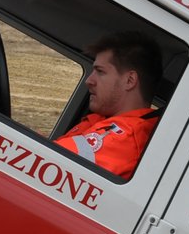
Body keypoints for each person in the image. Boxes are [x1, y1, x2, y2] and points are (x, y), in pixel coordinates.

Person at [55, 32, 163, 180]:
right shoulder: (105, 120)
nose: (89, 80)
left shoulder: (123, 138)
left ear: (129, 81)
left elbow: (46, 161)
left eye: (100, 72)